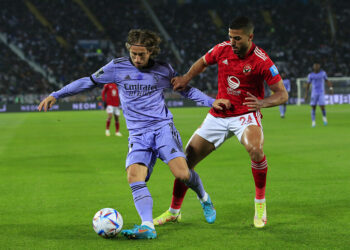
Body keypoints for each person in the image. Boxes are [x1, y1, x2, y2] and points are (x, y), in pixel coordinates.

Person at [38, 29, 229, 239]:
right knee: (134, 176)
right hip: (138, 134)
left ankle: (204, 198)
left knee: (182, 174)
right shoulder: (117, 67)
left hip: (162, 128)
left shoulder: (163, 69)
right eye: (134, 54)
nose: (137, 59)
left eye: (142, 55)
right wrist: (56, 94)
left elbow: (186, 90)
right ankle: (148, 226)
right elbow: (88, 81)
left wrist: (212, 102)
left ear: (151, 52)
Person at [153, 16, 288, 229]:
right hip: (219, 114)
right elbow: (202, 62)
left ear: (250, 37)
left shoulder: (262, 60)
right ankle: (173, 212)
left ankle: (260, 205)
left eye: (237, 38)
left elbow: (282, 94)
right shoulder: (222, 49)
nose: (232, 42)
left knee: (255, 149)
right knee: (185, 162)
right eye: (230, 37)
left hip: (245, 114)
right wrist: (186, 78)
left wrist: (261, 102)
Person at [304, 63, 333, 127]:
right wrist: (306, 94)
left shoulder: (323, 73)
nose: (316, 67)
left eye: (317, 66)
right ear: (313, 67)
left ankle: (324, 118)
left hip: (321, 93)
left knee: (322, 106)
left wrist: (331, 88)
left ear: (319, 67)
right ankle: (313, 122)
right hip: (314, 93)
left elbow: (327, 81)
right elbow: (308, 84)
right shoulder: (310, 75)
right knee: (313, 107)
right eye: (315, 66)